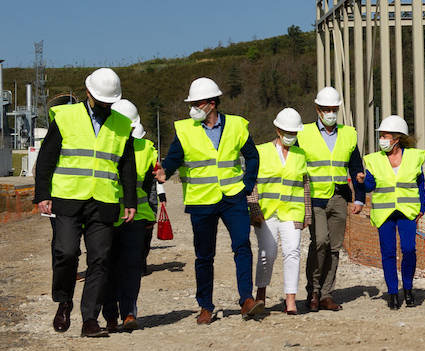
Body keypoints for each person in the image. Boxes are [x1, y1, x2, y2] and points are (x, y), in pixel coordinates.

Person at [33, 68, 137, 337]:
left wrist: (130, 200)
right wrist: (42, 194)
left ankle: (90, 318)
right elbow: (46, 159)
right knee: (66, 253)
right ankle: (64, 300)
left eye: (109, 101)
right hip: (67, 198)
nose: (105, 105)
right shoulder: (65, 117)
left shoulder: (122, 125)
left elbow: (127, 167)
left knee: (100, 259)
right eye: (102, 99)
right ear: (88, 92)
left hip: (104, 200)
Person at [154, 77, 263, 323]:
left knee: (242, 246)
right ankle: (206, 306)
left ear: (211, 104)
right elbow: (173, 158)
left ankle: (246, 299)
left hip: (233, 197)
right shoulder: (184, 130)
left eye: (196, 103)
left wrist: (247, 185)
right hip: (202, 200)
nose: (192, 108)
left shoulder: (237, 125)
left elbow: (253, 157)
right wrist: (164, 172)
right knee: (204, 255)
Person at [296, 87, 365, 312]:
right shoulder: (303, 133)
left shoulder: (349, 134)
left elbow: (356, 167)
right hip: (314, 196)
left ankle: (326, 294)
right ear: (317, 110)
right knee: (320, 242)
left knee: (334, 247)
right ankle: (313, 290)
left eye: (334, 109)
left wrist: (360, 198)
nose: (330, 113)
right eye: (326, 109)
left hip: (338, 196)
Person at [248, 108, 311, 315]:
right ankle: (261, 294)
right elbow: (252, 182)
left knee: (292, 252)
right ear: (277, 130)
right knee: (268, 253)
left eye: (294, 133)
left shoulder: (301, 154)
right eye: (287, 132)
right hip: (266, 213)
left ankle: (290, 299)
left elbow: (305, 185)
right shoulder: (261, 151)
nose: (290, 136)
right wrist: (254, 209)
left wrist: (307, 214)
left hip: (292, 212)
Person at [102, 99, 157, 333]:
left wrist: (151, 216)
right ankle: (110, 315)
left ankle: (128, 313)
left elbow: (150, 186)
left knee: (132, 267)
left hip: (136, 217)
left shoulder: (147, 149)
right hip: (106, 215)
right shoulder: (103, 146)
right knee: (106, 267)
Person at [361, 115, 425, 309]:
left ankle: (408, 288)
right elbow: (370, 187)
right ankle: (393, 293)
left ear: (397, 138)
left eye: (385, 136)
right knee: (388, 253)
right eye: (381, 136)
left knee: (408, 249)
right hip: (384, 212)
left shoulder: (414, 157)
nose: (382, 140)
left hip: (407, 210)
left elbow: (420, 183)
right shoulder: (373, 160)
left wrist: (422, 206)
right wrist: (363, 181)